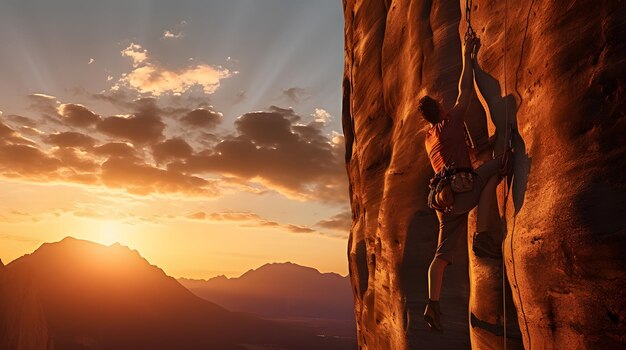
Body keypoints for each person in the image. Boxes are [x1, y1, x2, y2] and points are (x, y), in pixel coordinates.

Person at [420, 36, 512, 332]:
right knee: (498, 168)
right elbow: (465, 90)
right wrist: (467, 54)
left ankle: (432, 304)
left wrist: (483, 148)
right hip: (463, 189)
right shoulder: (451, 120)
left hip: (443, 202)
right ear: (440, 108)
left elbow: (465, 155)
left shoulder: (429, 139)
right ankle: (483, 236)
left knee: (441, 256)